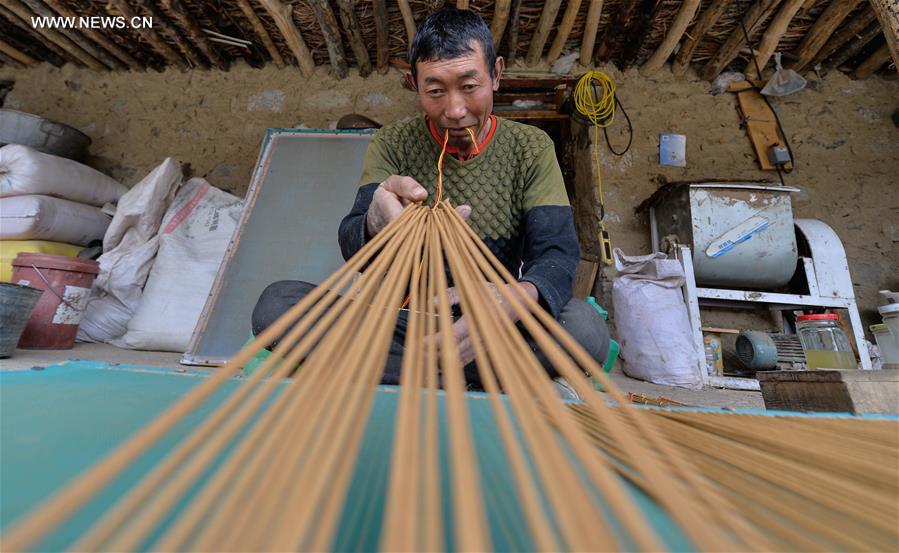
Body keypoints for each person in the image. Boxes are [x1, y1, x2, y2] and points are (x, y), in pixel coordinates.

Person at [252, 8, 609, 396]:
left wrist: (515, 299)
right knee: (277, 306)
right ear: (414, 84)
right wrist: (374, 221)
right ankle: (488, 376)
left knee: (584, 328)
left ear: (496, 74)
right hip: (400, 320)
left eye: (470, 86)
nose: (455, 111)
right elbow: (354, 248)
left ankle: (395, 372)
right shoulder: (393, 143)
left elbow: (556, 253)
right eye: (435, 91)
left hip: (494, 325)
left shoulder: (531, 148)